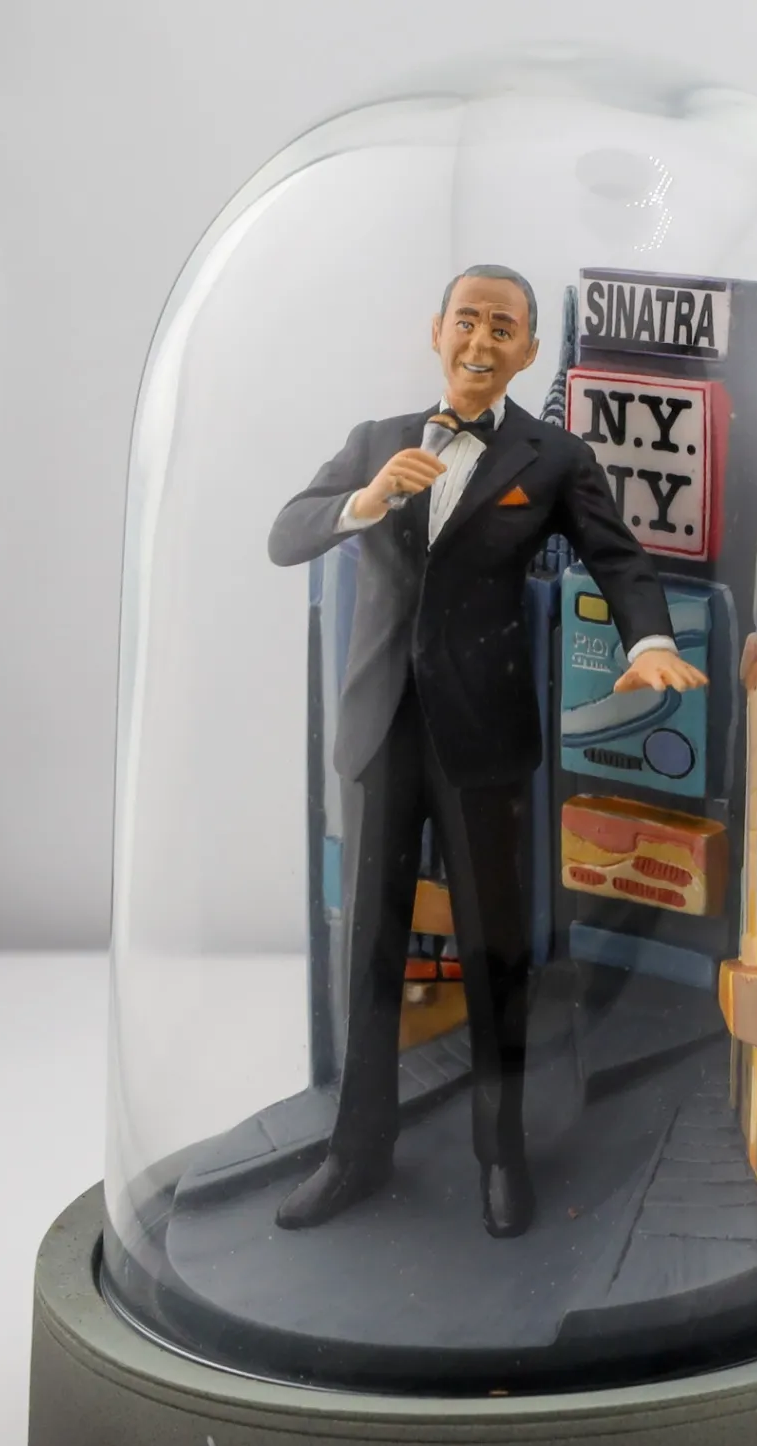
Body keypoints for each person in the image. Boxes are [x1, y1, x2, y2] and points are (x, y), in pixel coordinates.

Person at [268, 264, 707, 1238]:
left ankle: (500, 1153)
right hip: (381, 726)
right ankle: (357, 1148)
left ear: (527, 351)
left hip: (483, 741)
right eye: (466, 321)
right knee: (371, 948)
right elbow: (285, 534)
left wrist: (647, 640)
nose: (480, 340)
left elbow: (617, 556)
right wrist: (365, 499)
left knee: (493, 949)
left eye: (501, 328)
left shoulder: (551, 457)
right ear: (436, 331)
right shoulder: (375, 441)